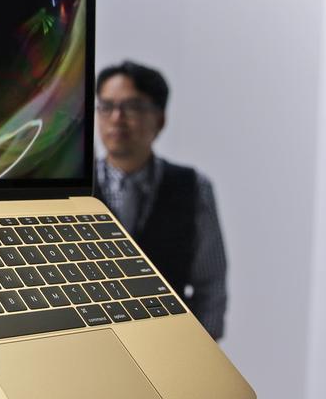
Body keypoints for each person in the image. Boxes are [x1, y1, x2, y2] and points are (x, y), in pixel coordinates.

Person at [94, 60, 227, 340]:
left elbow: (210, 284)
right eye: (106, 107)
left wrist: (201, 349)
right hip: (92, 340)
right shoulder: (76, 191)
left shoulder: (193, 187)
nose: (116, 118)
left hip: (168, 342)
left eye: (132, 107)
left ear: (160, 119)